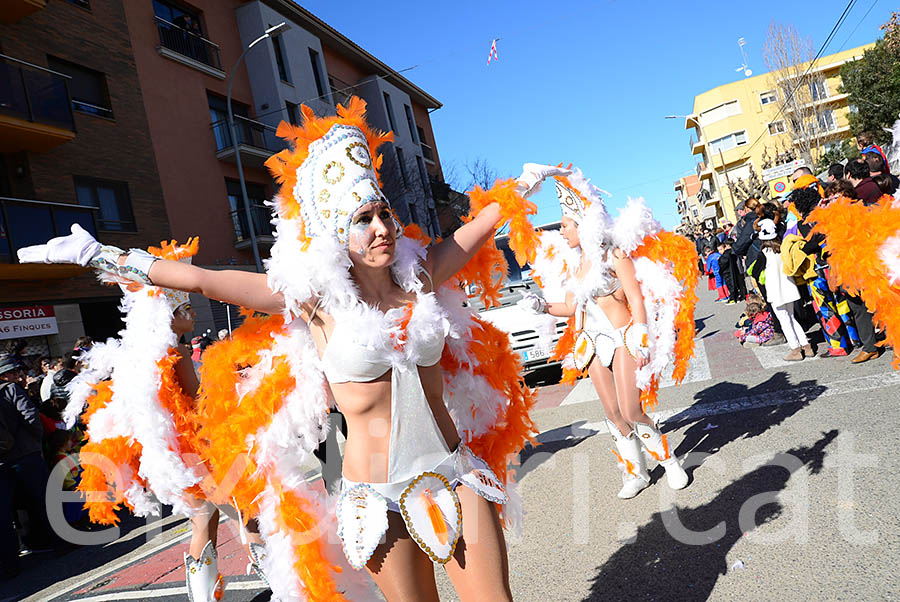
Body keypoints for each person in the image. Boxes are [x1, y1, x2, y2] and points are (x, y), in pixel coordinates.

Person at [18, 98, 542, 600]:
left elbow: (475, 231)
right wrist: (100, 255)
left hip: (454, 471)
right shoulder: (314, 303)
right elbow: (204, 279)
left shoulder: (419, 275)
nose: (381, 228)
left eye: (383, 213)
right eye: (363, 219)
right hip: (376, 497)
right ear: (337, 230)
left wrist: (520, 187)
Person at [522, 169, 693, 500]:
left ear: (583, 224)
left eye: (566, 224)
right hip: (593, 343)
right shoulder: (577, 265)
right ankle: (636, 472)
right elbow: (571, 307)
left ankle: (669, 461)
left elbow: (635, 297)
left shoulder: (615, 255)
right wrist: (542, 306)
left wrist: (641, 330)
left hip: (623, 337)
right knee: (613, 413)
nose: (561, 230)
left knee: (631, 408)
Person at [0, 353, 57, 579]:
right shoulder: (10, 390)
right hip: (26, 455)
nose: (20, 376)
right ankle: (56, 540)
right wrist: (35, 442)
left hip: (3, 461)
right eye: (15, 372)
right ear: (6, 374)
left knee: (10, 511)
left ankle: (18, 556)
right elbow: (31, 417)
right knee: (43, 498)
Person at [757, 219, 814, 361]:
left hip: (776, 291)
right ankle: (806, 346)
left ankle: (795, 349)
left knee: (784, 321)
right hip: (789, 287)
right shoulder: (783, 249)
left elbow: (756, 271)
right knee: (791, 317)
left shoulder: (764, 253)